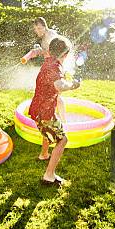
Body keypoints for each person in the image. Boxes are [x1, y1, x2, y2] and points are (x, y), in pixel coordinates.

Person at [29, 37, 80, 187]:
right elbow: (59, 86)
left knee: (48, 129)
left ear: (51, 51)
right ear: (65, 55)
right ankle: (49, 176)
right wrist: (73, 85)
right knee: (62, 140)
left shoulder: (48, 61)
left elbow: (54, 80)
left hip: (39, 108)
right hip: (44, 112)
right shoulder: (54, 67)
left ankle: (44, 154)